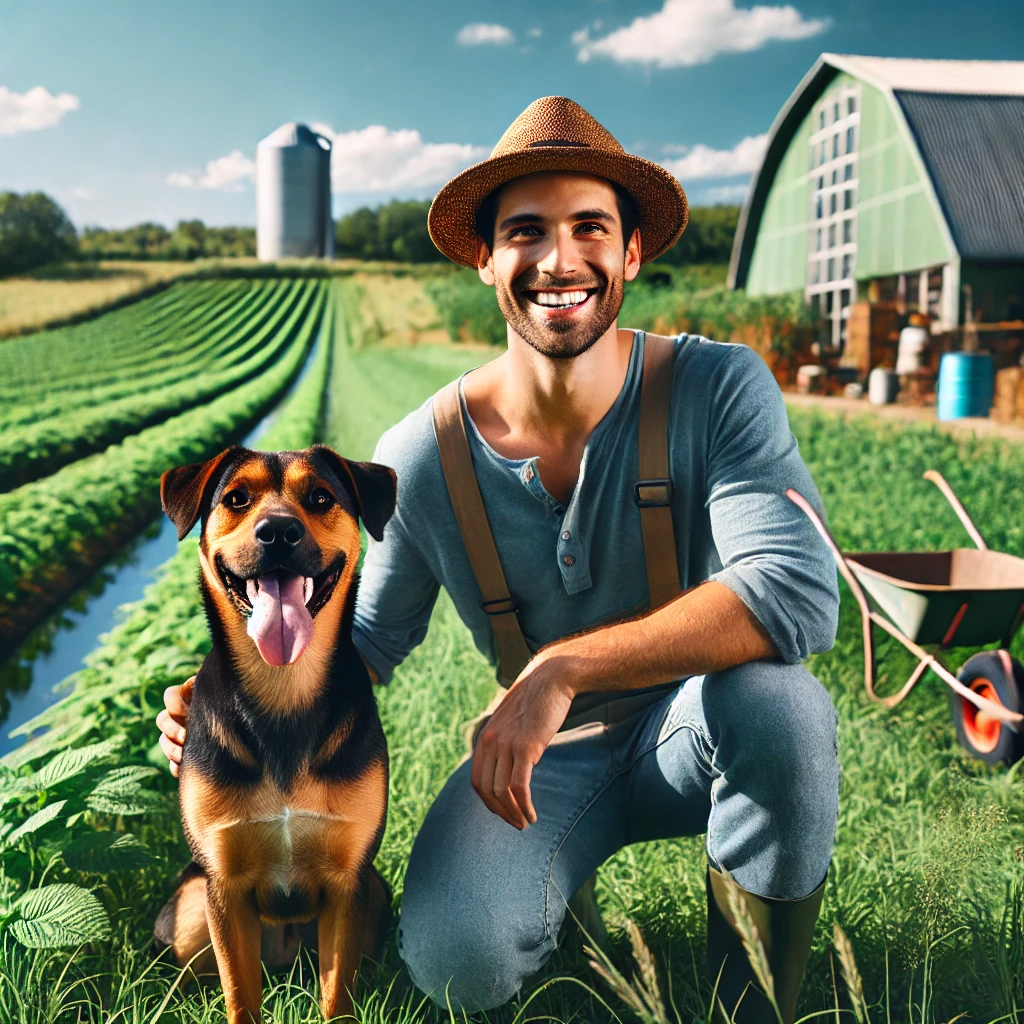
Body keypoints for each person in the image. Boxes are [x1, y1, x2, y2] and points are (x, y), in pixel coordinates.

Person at [157, 97, 840, 1023]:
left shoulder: (718, 387)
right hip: (539, 765)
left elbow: (795, 593)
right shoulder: (422, 454)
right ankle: (560, 898)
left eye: (589, 227)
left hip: (697, 725)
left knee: (782, 705)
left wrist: (559, 668)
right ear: (485, 260)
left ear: (631, 253)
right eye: (526, 232)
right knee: (454, 959)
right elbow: (366, 641)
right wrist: (238, 687)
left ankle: (752, 1004)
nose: (560, 260)